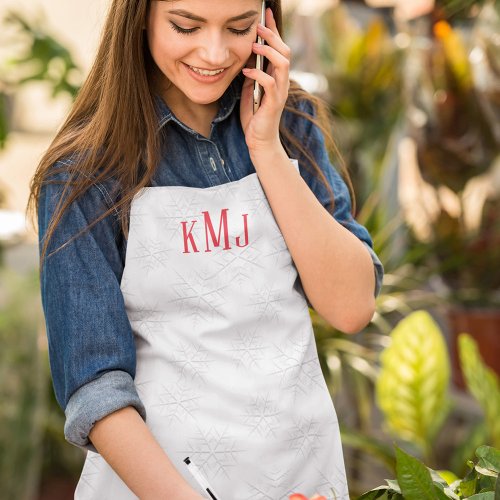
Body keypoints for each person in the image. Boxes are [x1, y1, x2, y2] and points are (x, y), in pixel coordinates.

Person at [28, 0, 384, 498]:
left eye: (239, 28)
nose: (215, 53)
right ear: (140, 16)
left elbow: (352, 307)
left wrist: (266, 148)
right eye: (185, 26)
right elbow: (95, 387)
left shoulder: (290, 122)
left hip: (301, 474)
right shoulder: (82, 174)